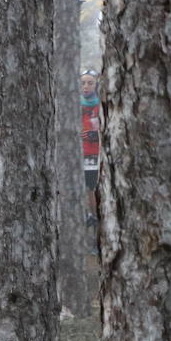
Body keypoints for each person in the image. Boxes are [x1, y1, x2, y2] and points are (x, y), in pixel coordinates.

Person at [79, 69, 102, 228]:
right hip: (79, 154)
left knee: (92, 187)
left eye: (90, 83)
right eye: (83, 83)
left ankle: (94, 217)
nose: (86, 86)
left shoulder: (101, 105)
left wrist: (97, 135)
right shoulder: (75, 104)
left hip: (95, 155)